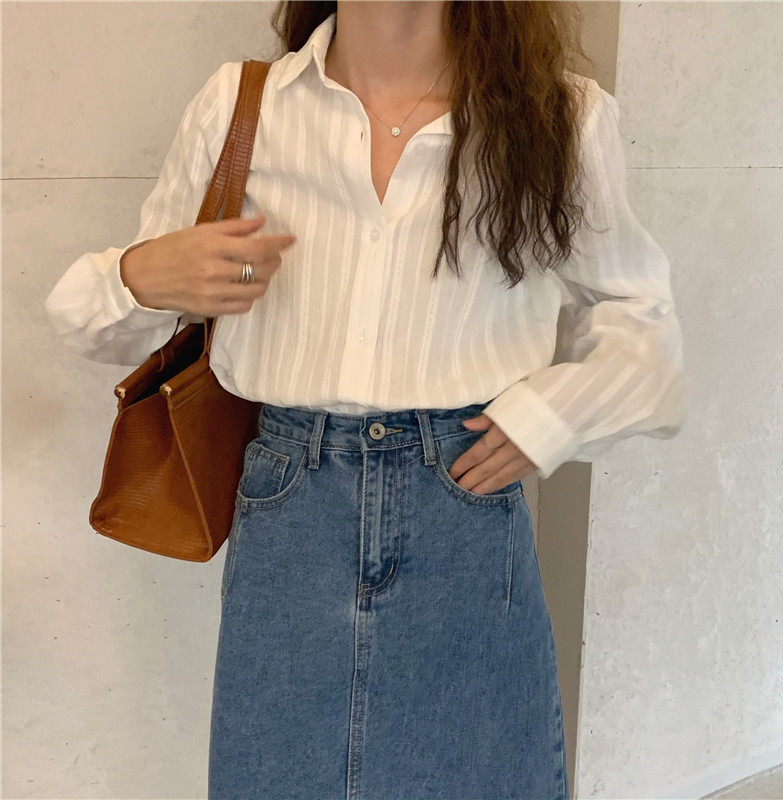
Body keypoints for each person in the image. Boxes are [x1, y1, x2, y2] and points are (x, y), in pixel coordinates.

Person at [43, 2, 685, 798]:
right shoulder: (243, 106)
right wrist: (140, 276)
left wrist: (553, 416)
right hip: (289, 510)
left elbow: (640, 320)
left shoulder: (562, 117)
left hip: (464, 499)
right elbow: (90, 319)